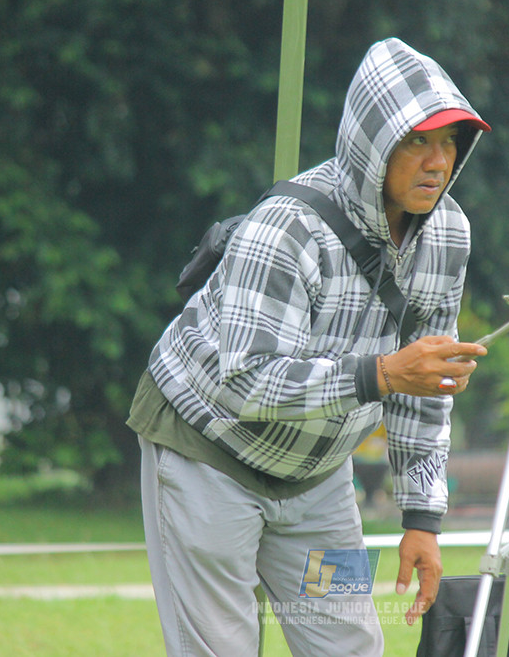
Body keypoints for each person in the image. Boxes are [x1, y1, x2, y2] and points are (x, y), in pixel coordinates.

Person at [128, 37, 489, 656]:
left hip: (319, 479)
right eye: (417, 141)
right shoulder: (285, 229)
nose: (438, 162)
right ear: (372, 145)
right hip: (206, 455)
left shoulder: (450, 235)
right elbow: (243, 382)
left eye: (450, 141)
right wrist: (381, 374)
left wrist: (423, 518)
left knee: (350, 647)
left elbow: (426, 388)